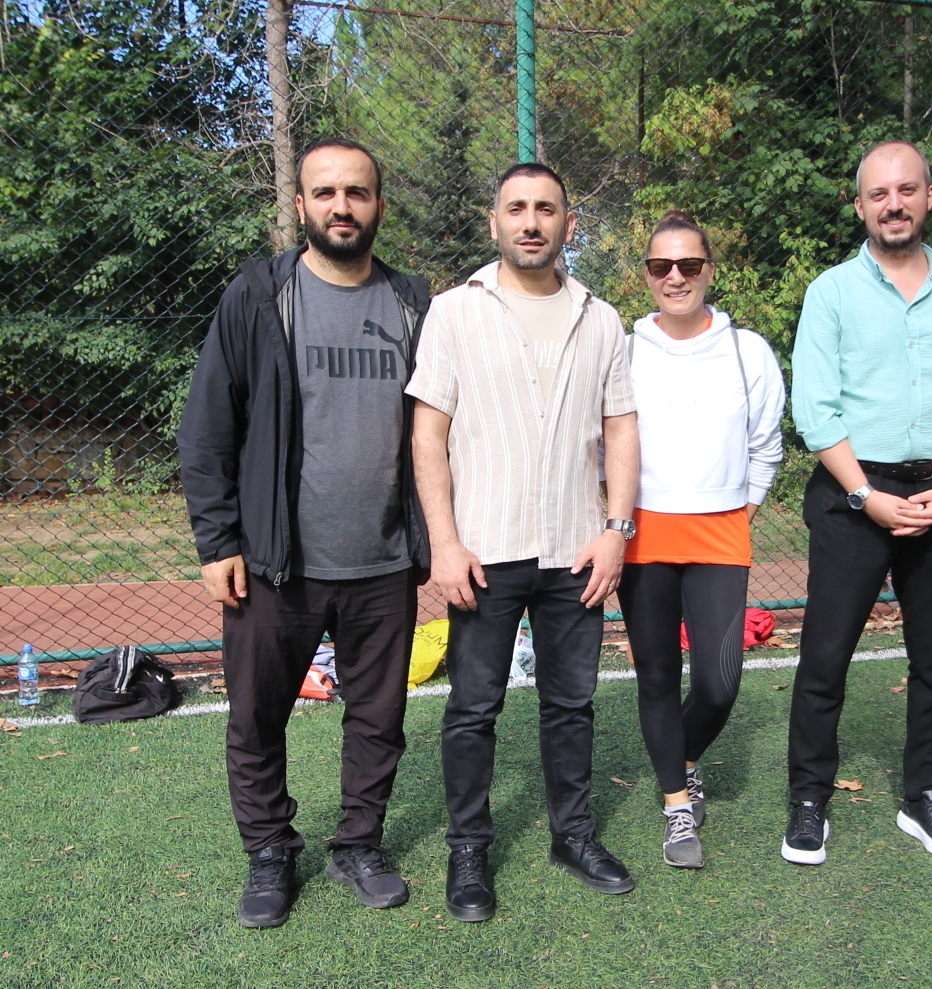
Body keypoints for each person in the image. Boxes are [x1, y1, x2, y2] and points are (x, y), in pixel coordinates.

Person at [177, 138, 430, 928]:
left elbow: (444, 430)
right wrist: (218, 540)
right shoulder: (258, 295)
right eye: (325, 192)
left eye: (356, 192)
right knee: (257, 716)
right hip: (274, 562)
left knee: (378, 720)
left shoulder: (414, 303)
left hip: (384, 559)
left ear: (379, 205)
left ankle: (359, 844)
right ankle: (269, 851)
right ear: (300, 205)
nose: (341, 207)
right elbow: (207, 427)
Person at [407, 162, 640, 922]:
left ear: (569, 223)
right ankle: (468, 850)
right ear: (495, 221)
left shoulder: (600, 319)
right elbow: (428, 435)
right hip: (484, 549)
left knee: (571, 704)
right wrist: (444, 543)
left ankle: (573, 836)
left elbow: (620, 429)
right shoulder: (454, 312)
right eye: (516, 208)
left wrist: (616, 531)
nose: (531, 222)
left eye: (545, 209)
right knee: (473, 708)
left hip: (576, 549)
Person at [783, 140, 932, 865]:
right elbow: (816, 408)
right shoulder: (831, 292)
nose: (893, 204)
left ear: (929, 196)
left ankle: (924, 796)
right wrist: (865, 495)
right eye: (878, 193)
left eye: (906, 190)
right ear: (860, 206)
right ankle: (808, 800)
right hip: (853, 495)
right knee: (825, 655)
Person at [615, 211, 784, 869]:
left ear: (710, 270)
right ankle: (676, 806)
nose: (675, 276)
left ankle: (681, 760)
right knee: (657, 676)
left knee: (718, 684)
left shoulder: (748, 351)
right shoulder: (625, 351)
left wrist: (743, 509)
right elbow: (602, 445)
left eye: (689, 264)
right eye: (661, 266)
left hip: (719, 532)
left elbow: (765, 443)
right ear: (647, 275)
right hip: (642, 535)